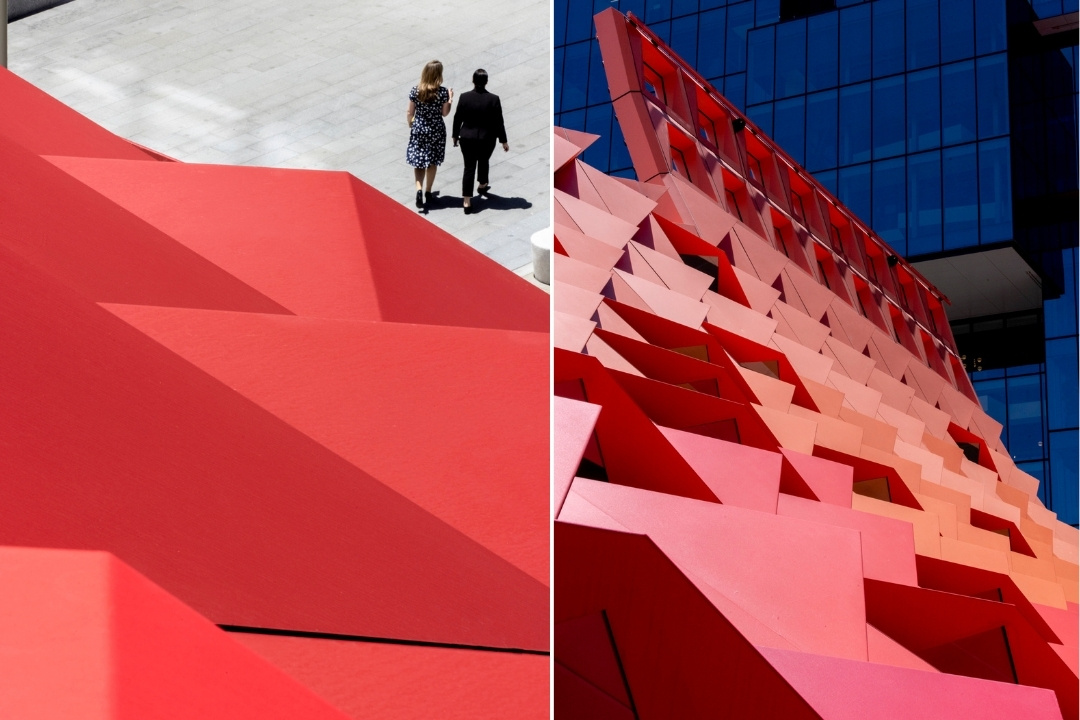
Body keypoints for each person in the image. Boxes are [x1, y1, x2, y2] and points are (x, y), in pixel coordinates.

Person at [452, 69, 508, 214]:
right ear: (486, 82)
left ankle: (466, 201)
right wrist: (503, 141)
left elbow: (458, 118)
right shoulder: (494, 99)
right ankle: (482, 184)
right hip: (487, 139)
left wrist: (455, 135)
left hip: (467, 138)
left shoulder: (464, 97)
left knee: (469, 167)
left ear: (473, 80)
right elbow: (499, 122)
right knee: (484, 160)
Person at [406, 60, 453, 210]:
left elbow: (409, 112)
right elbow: (445, 113)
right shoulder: (443, 92)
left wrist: (411, 124)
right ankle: (428, 191)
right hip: (436, 129)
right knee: (432, 162)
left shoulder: (416, 90)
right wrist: (450, 99)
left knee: (419, 161)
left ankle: (418, 189)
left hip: (419, 128)